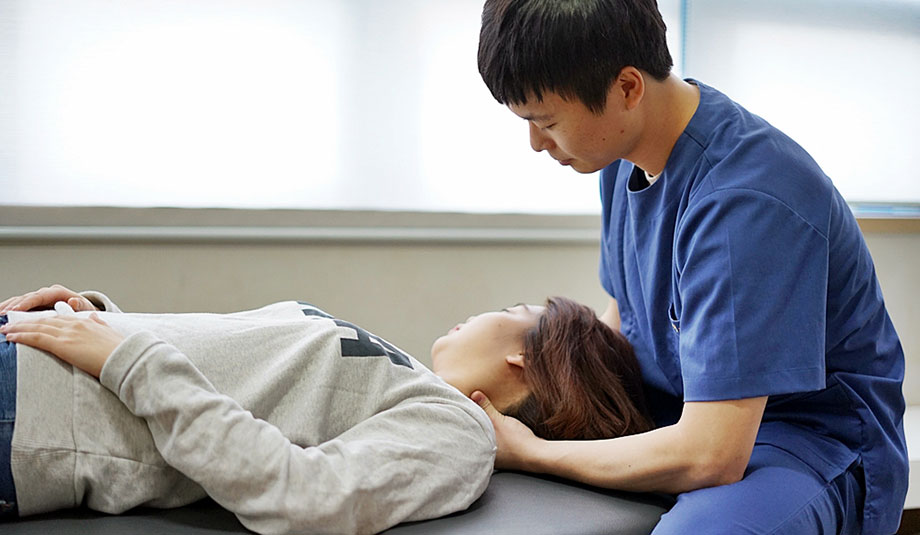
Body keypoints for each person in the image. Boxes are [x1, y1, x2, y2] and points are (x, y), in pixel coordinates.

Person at [474, 1, 908, 534]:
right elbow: (626, 321)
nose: (536, 144)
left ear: (627, 88)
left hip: (804, 441)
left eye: (546, 121)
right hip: (687, 414)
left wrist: (534, 453)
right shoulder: (622, 159)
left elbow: (713, 454)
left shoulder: (747, 200)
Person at [0, 284, 651, 534]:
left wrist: (126, 355)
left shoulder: (456, 433)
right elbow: (233, 369)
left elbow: (302, 495)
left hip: (27, 410)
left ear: (525, 358)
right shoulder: (409, 380)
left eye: (510, 309)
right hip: (38, 361)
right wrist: (98, 319)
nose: (481, 310)